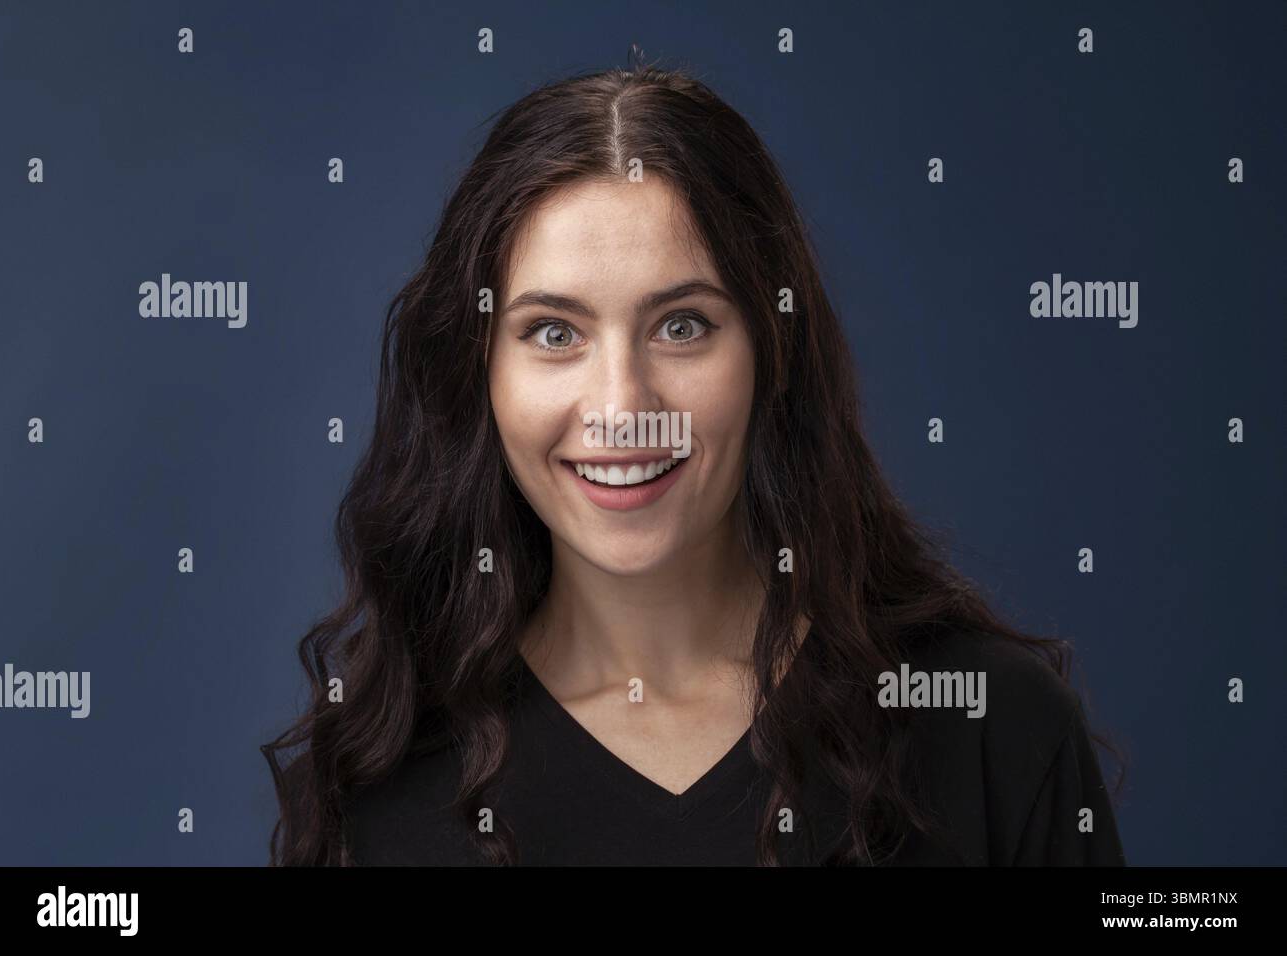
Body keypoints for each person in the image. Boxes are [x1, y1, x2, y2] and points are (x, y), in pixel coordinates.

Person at [261, 56, 1126, 867]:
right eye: (553, 333)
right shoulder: (377, 788)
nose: (622, 407)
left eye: (682, 326)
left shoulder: (989, 727)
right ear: (477, 370)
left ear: (772, 352)